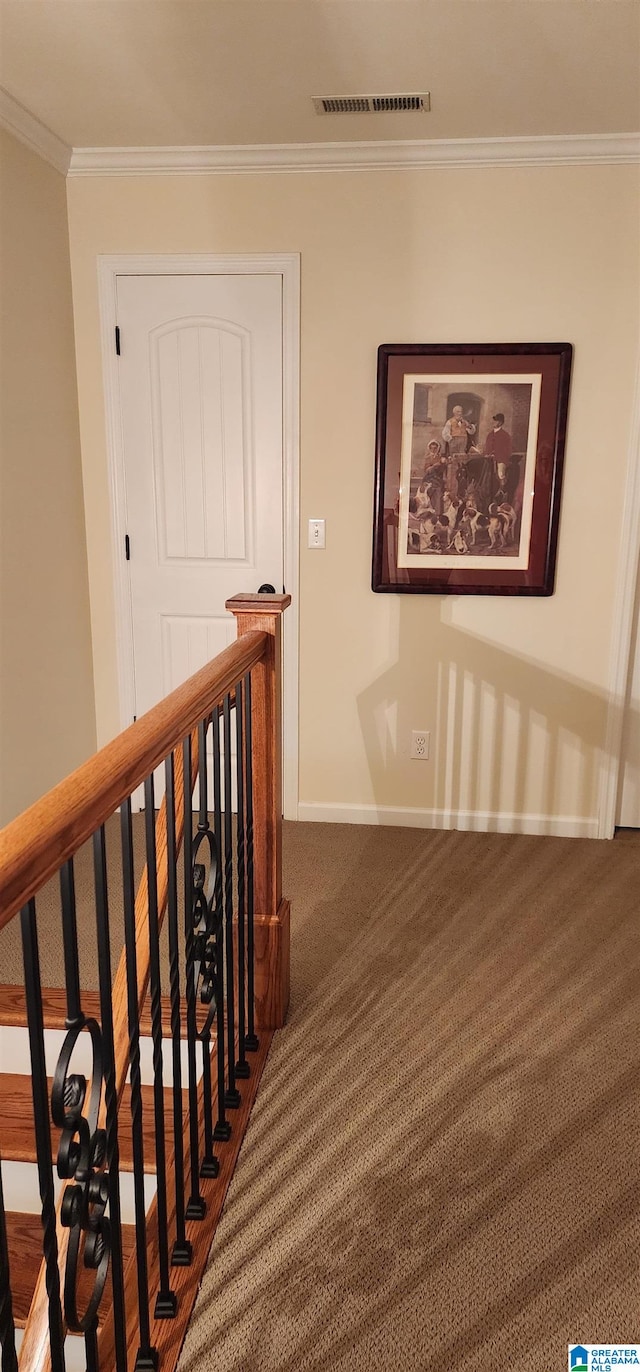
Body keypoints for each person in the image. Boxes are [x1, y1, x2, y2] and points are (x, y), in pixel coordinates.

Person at [442, 406, 476, 498]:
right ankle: (452, 489)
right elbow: (445, 434)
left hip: (463, 444)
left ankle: (463, 489)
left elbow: (472, 431)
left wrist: (468, 425)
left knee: (463, 464)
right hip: (454, 444)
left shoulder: (465, 422)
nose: (459, 413)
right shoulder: (450, 422)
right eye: (457, 411)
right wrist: (451, 439)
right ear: (454, 413)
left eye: (461, 411)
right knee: (454, 465)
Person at [483, 413, 512, 489]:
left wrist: (497, 456)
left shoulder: (505, 435)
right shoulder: (489, 435)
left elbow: (508, 450)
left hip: (501, 460)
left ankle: (502, 491)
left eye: (496, 421)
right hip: (489, 459)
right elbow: (487, 448)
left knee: (500, 474)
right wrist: (486, 454)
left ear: (500, 423)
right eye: (493, 420)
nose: (493, 422)